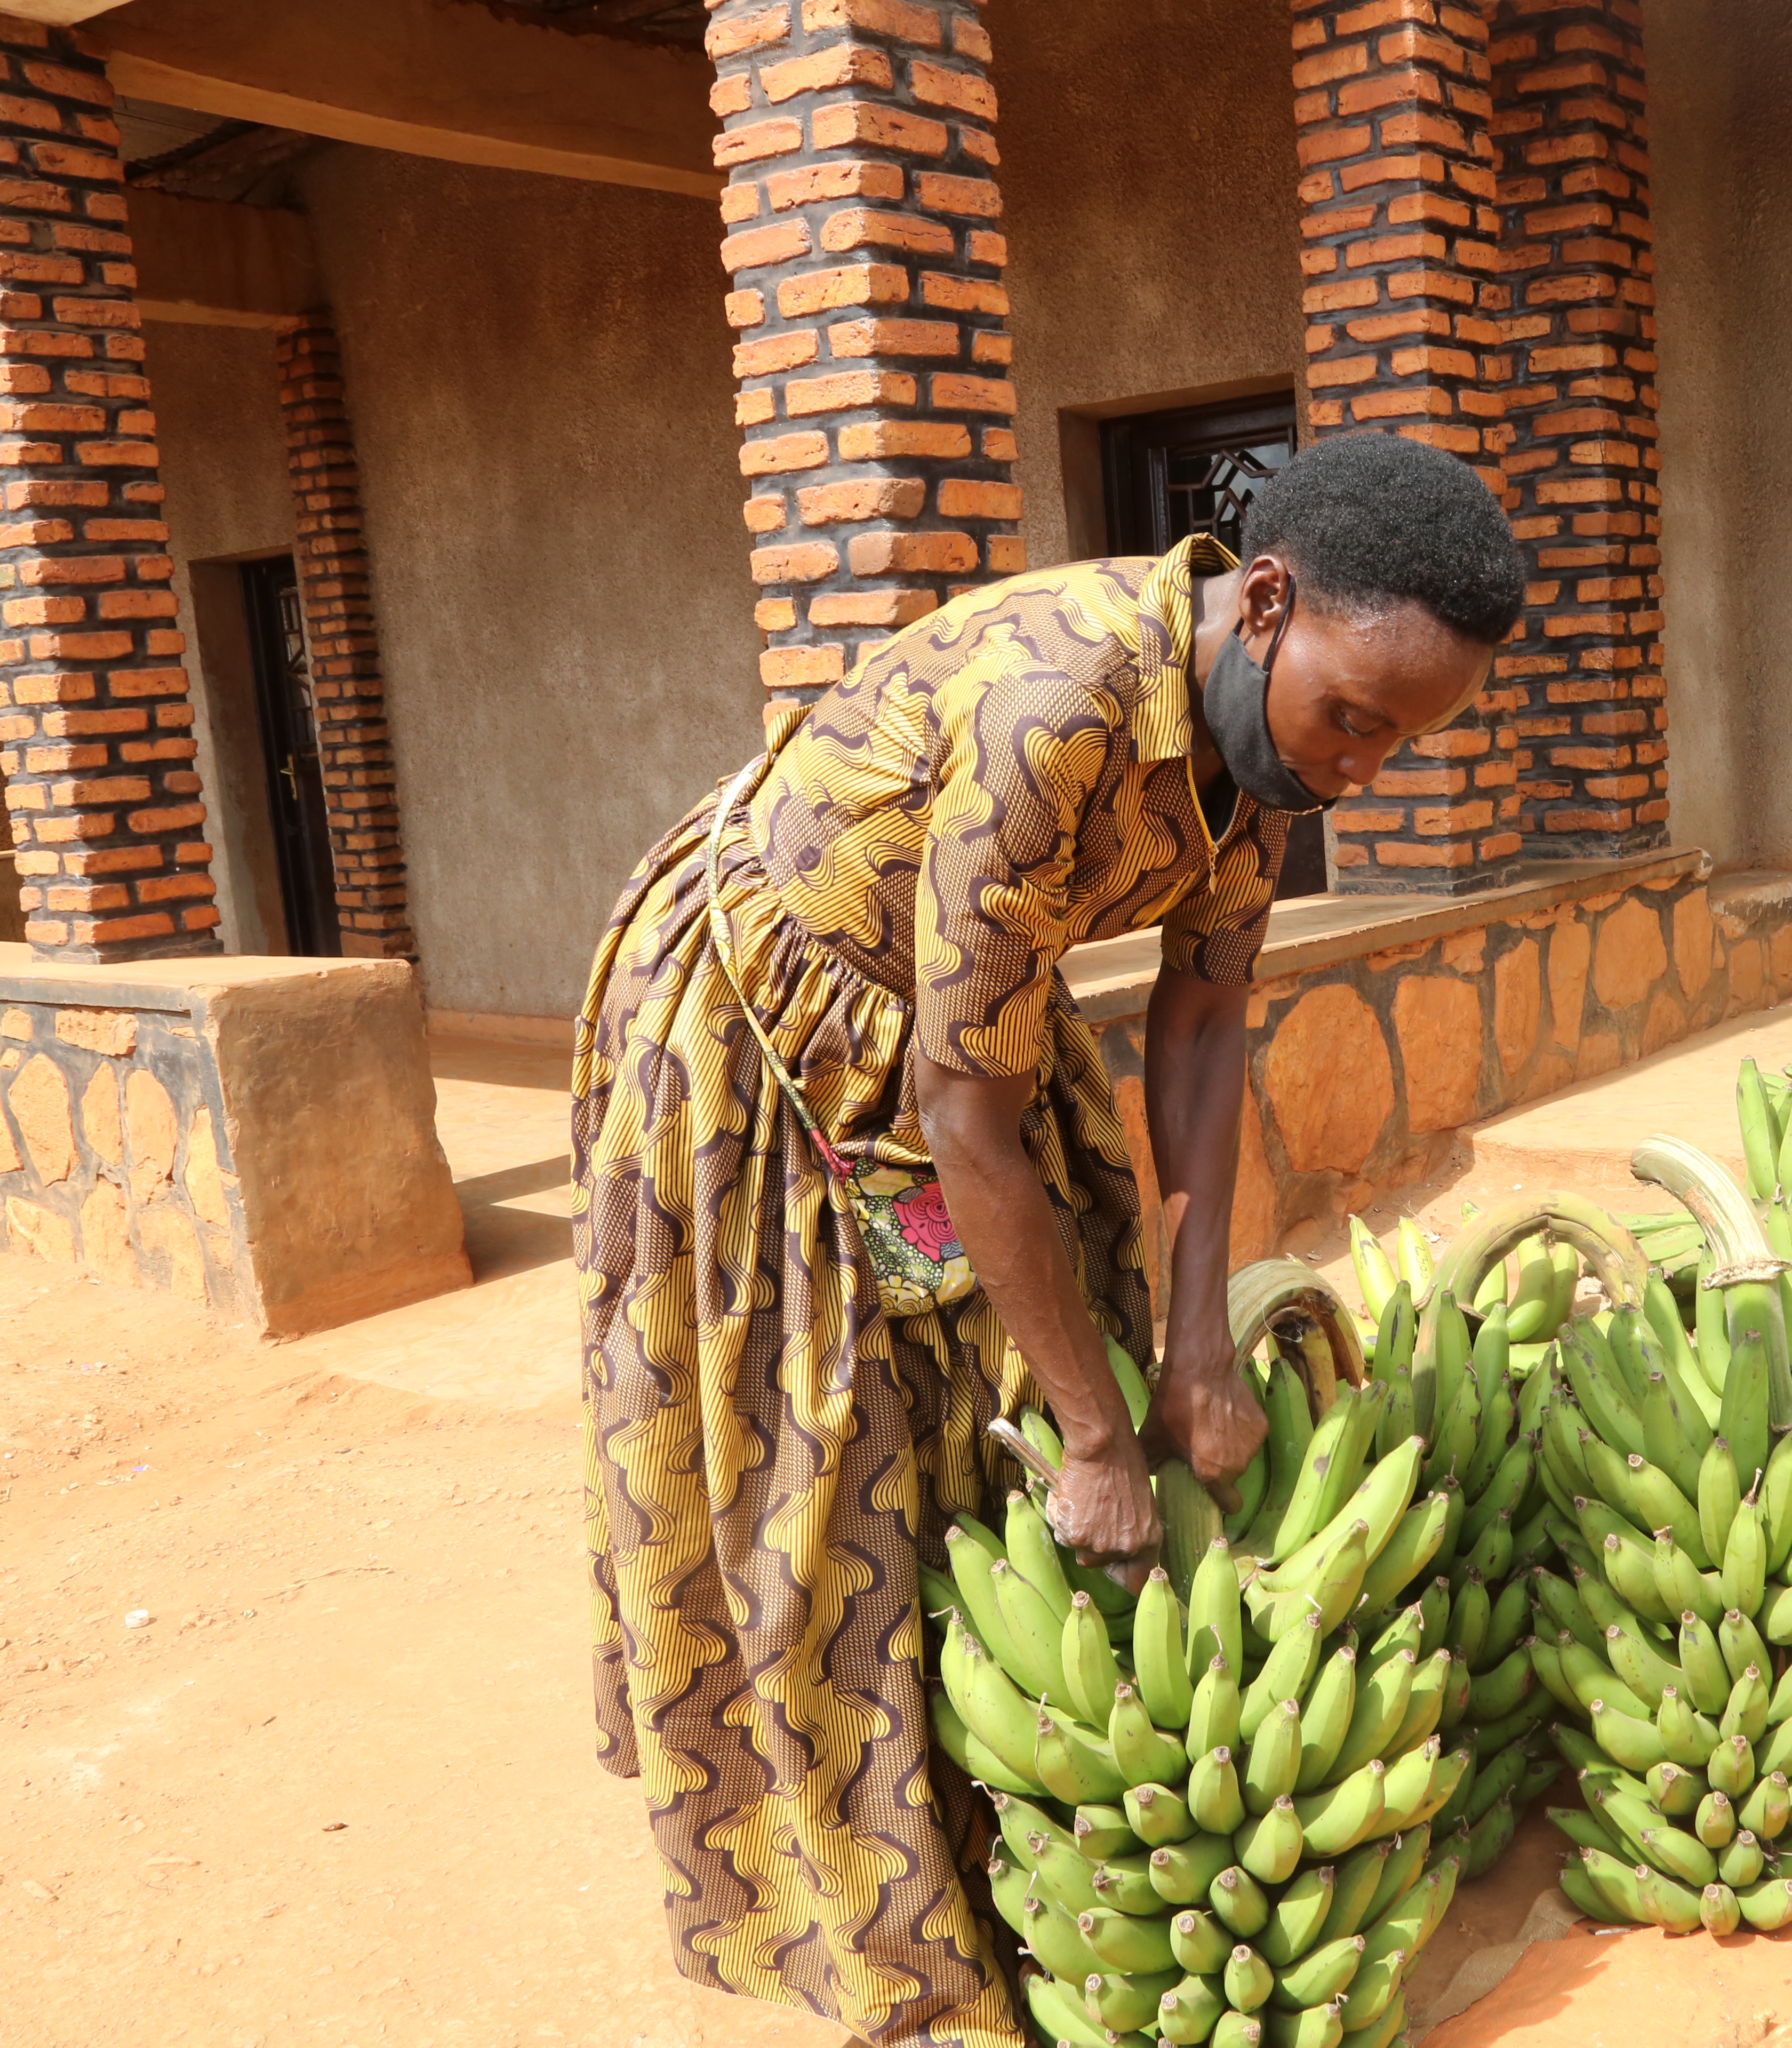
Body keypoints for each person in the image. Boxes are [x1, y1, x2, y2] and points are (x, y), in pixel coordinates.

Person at [571, 430, 1528, 2040]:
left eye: (1401, 742)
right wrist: (1100, 1429)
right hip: (774, 1025)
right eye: (1356, 719)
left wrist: (1199, 1325)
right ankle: (874, 1923)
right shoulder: (1061, 708)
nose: (1364, 763)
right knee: (844, 1443)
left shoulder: (1268, 742)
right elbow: (962, 1119)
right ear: (1269, 602)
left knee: (1028, 1350)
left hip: (960, 1032)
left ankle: (1021, 1824)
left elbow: (1209, 1017)